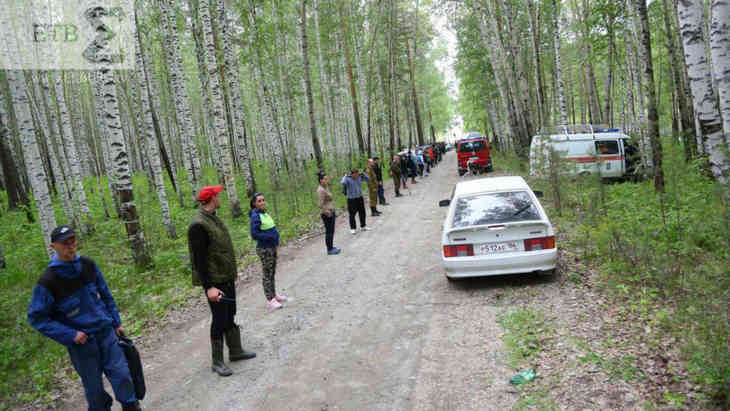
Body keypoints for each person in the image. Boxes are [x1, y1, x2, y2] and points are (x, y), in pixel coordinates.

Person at [28, 226, 143, 410]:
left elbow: (106, 294)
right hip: (82, 344)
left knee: (122, 375)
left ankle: (131, 406)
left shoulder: (88, 265)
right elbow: (37, 318)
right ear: (53, 246)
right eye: (64, 243)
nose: (70, 246)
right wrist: (70, 334)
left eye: (72, 240)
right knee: (94, 390)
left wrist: (116, 322)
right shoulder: (48, 281)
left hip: (106, 333)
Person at [188, 185, 256, 377]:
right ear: (211, 199)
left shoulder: (213, 218)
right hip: (214, 281)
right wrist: (208, 287)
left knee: (230, 313)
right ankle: (217, 362)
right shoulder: (198, 225)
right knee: (219, 318)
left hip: (225, 276)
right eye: (217, 195)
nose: (220, 197)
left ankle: (235, 351)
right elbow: (199, 261)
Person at [249, 193, 286, 310]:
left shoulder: (264, 213)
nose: (262, 202)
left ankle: (274, 295)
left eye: (263, 200)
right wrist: (269, 237)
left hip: (272, 247)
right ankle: (270, 300)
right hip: (265, 249)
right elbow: (254, 234)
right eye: (259, 201)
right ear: (254, 203)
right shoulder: (255, 216)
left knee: (272, 272)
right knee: (267, 274)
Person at [341, 168, 372, 234]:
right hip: (351, 199)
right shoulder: (348, 179)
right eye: (354, 174)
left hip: (359, 198)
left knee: (362, 212)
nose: (356, 175)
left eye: (357, 174)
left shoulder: (359, 177)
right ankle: (353, 228)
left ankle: (363, 226)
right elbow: (343, 182)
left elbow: (368, 179)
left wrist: (363, 174)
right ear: (352, 174)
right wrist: (345, 176)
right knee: (352, 214)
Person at [317, 172, 341, 255]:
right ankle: (329, 249)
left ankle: (331, 247)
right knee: (329, 232)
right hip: (327, 214)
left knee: (331, 231)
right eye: (325, 179)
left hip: (331, 211)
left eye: (327, 179)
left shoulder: (325, 188)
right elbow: (320, 204)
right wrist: (327, 212)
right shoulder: (320, 190)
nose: (326, 180)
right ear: (321, 180)